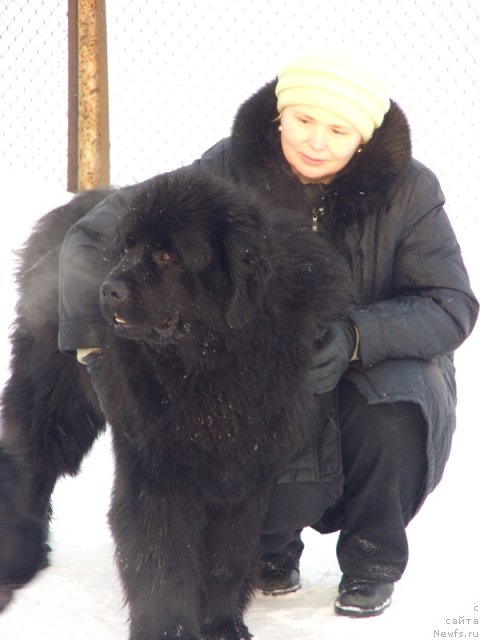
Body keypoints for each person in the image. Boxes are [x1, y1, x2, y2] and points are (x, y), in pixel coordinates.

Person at [58, 52, 478, 617]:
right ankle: (272, 549)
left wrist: (356, 336)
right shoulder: (228, 167)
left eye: (337, 129)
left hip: (376, 363)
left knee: (394, 404)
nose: (315, 141)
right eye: (302, 120)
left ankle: (372, 558)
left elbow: (449, 304)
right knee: (243, 424)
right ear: (280, 116)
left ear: (364, 135)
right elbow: (91, 240)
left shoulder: (410, 191)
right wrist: (92, 351)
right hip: (265, 371)